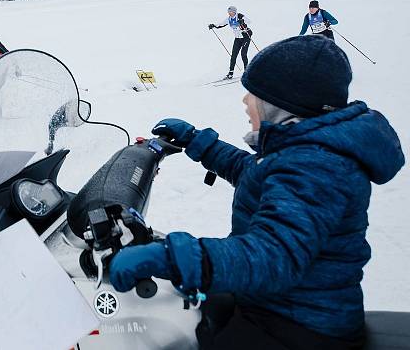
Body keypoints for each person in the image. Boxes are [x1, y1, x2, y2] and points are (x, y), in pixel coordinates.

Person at [107, 35, 404, 350]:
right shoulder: (307, 149)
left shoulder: (317, 166)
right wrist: (198, 142)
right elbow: (255, 173)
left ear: (284, 105)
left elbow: (273, 254)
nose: (246, 101)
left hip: (300, 326)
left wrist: (173, 257)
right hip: (280, 302)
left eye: (255, 95)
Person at [208, 6, 253, 79]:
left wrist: (242, 21)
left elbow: (249, 22)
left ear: (234, 11)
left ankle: (246, 72)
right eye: (229, 12)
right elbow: (221, 24)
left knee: (243, 54)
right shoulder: (229, 19)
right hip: (237, 38)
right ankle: (230, 73)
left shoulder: (240, 16)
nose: (230, 13)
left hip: (245, 37)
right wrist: (213, 25)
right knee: (233, 55)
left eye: (231, 12)